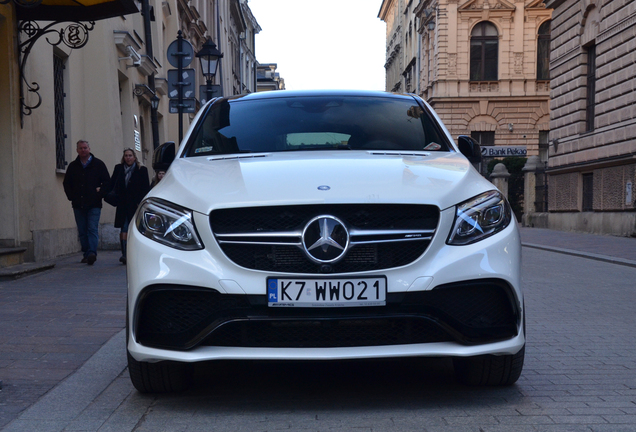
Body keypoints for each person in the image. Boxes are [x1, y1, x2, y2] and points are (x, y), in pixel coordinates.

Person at [63, 140, 111, 265]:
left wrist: (100, 194)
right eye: (80, 148)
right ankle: (86, 252)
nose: (83, 150)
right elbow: (66, 183)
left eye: (85, 148)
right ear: (77, 150)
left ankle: (92, 253)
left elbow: (107, 182)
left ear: (89, 149)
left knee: (92, 229)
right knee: (82, 231)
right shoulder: (73, 166)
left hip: (94, 203)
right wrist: (71, 196)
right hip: (78, 204)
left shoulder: (98, 164)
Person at [107, 148, 150, 264]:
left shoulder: (141, 170)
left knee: (136, 229)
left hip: (136, 205)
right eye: (126, 155)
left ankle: (136, 252)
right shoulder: (119, 169)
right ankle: (125, 253)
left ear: (135, 157)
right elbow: (112, 184)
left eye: (130, 155)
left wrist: (140, 202)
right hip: (123, 205)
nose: (128, 158)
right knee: (124, 227)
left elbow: (146, 188)